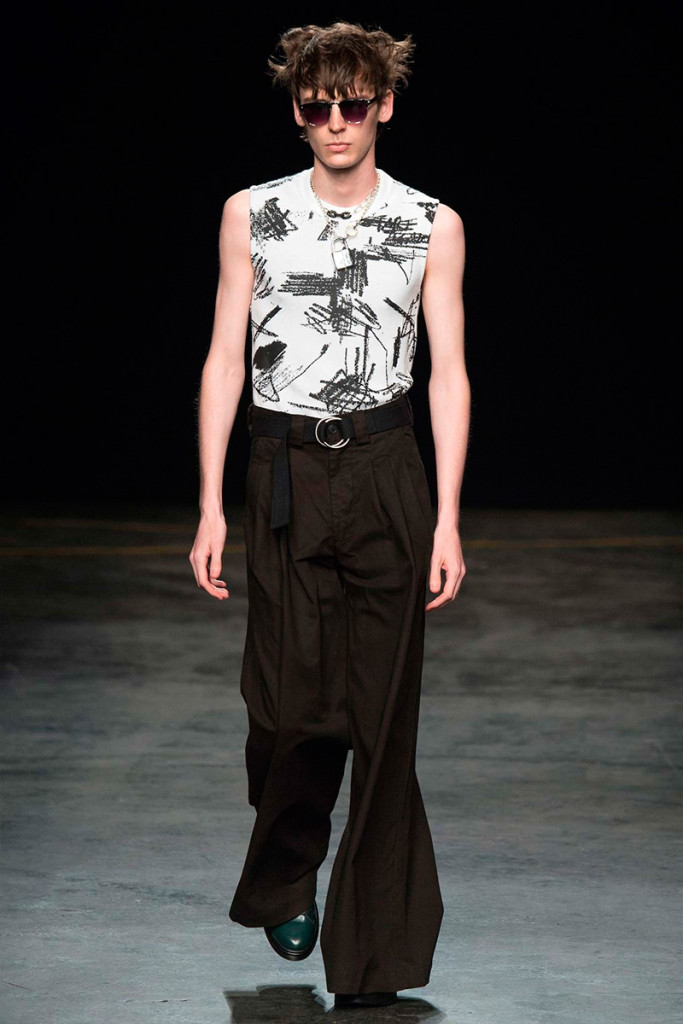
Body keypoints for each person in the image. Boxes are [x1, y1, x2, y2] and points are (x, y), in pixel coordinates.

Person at [189, 20, 469, 1010]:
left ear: (384, 104)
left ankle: (373, 959)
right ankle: (284, 871)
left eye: (354, 102)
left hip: (387, 469)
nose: (337, 121)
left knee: (382, 721)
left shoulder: (431, 223)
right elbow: (223, 359)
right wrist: (209, 504)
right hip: (284, 470)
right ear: (298, 113)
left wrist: (446, 517)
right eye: (318, 105)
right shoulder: (252, 214)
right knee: (287, 710)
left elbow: (447, 373)